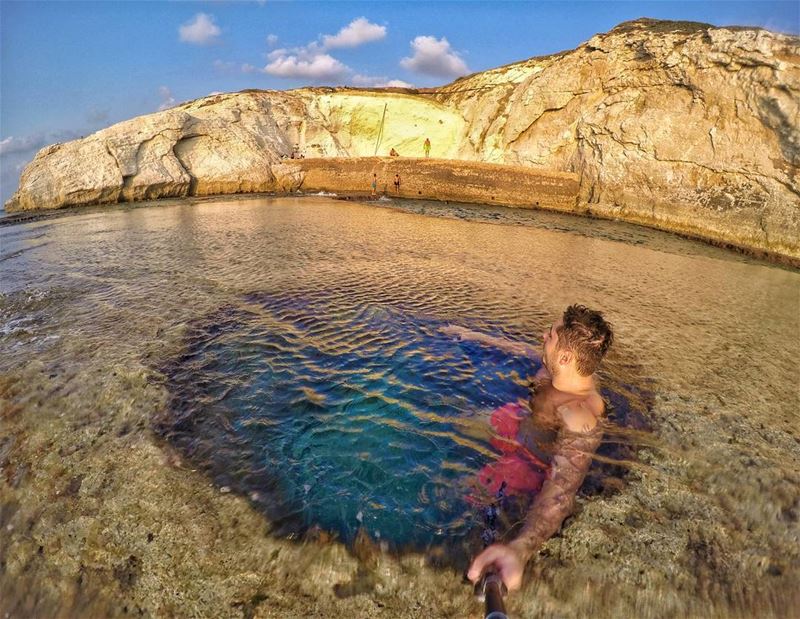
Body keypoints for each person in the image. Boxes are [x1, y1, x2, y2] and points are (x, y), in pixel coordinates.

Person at [454, 305, 614, 593]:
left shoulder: (579, 415)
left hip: (528, 460)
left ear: (565, 357)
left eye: (550, 336)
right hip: (520, 421)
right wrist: (472, 335)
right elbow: (523, 350)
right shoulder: (562, 370)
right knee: (457, 420)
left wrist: (521, 549)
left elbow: (562, 490)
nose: (543, 336)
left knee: (463, 496)